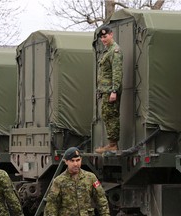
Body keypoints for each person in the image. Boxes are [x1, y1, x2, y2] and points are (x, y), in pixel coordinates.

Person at [44, 147, 110, 216]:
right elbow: (51, 206)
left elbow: (101, 200)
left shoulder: (90, 177)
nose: (75, 164)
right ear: (66, 161)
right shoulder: (59, 181)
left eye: (78, 160)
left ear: (81, 160)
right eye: (72, 161)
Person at [95, 25, 123, 154]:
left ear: (111, 34)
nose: (103, 39)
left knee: (111, 116)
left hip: (110, 91)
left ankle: (113, 144)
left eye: (105, 36)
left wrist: (114, 91)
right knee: (106, 115)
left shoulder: (115, 51)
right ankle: (111, 143)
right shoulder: (107, 51)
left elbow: (117, 72)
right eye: (101, 37)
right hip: (105, 91)